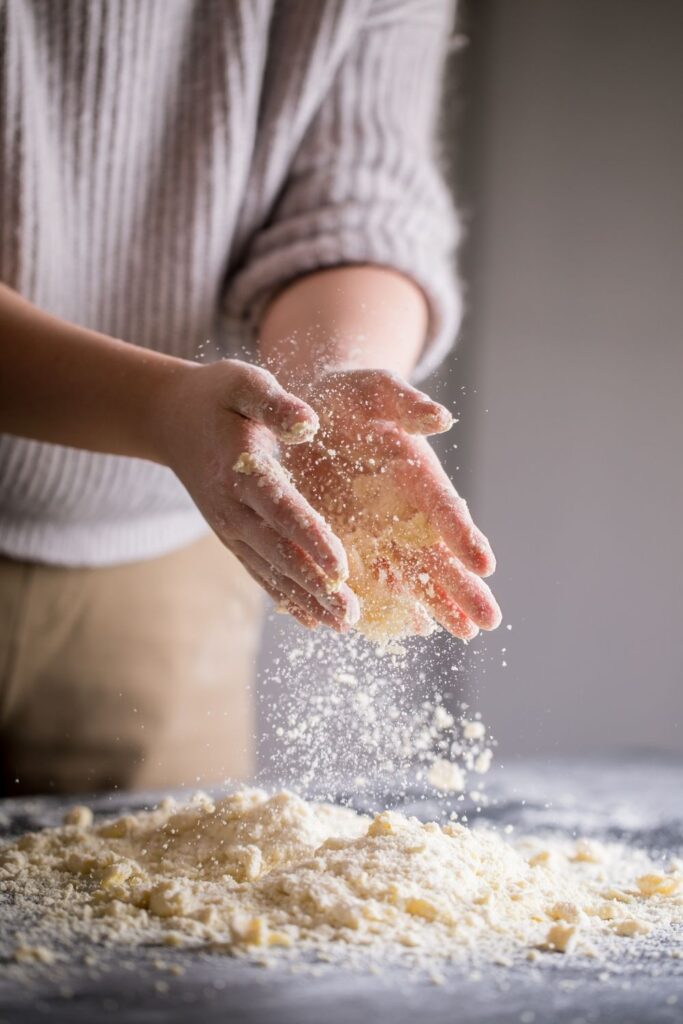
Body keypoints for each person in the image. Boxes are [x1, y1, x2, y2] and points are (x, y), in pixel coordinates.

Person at [0, 0, 500, 796]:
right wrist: (152, 406)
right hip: (178, 461)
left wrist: (326, 389)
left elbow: (357, 198)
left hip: (165, 560)